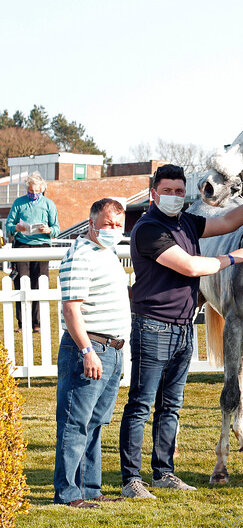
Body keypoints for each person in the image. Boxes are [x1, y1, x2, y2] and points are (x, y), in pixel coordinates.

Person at [120, 164, 243, 499]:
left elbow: (228, 221)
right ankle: (131, 478)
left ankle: (163, 472)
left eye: (179, 191)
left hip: (183, 327)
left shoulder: (187, 221)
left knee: (171, 405)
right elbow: (190, 265)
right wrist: (233, 257)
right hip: (153, 325)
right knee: (141, 404)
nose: (174, 196)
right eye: (167, 191)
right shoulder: (148, 229)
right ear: (154, 193)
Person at [54, 199, 129, 508]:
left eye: (118, 225)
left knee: (95, 423)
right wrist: (87, 350)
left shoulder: (106, 252)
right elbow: (71, 309)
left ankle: (90, 488)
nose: (113, 230)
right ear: (92, 223)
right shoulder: (80, 255)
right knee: (75, 422)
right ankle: (68, 494)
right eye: (108, 224)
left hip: (112, 349)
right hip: (89, 349)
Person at [4, 172, 59, 332]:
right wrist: (16, 228)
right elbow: (8, 225)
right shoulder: (19, 203)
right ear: (26, 190)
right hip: (22, 245)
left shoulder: (49, 204)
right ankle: (22, 323)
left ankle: (37, 323)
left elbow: (56, 228)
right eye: (30, 192)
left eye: (37, 192)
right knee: (21, 282)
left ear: (42, 190)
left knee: (39, 283)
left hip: (42, 246)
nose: (34, 195)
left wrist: (49, 230)